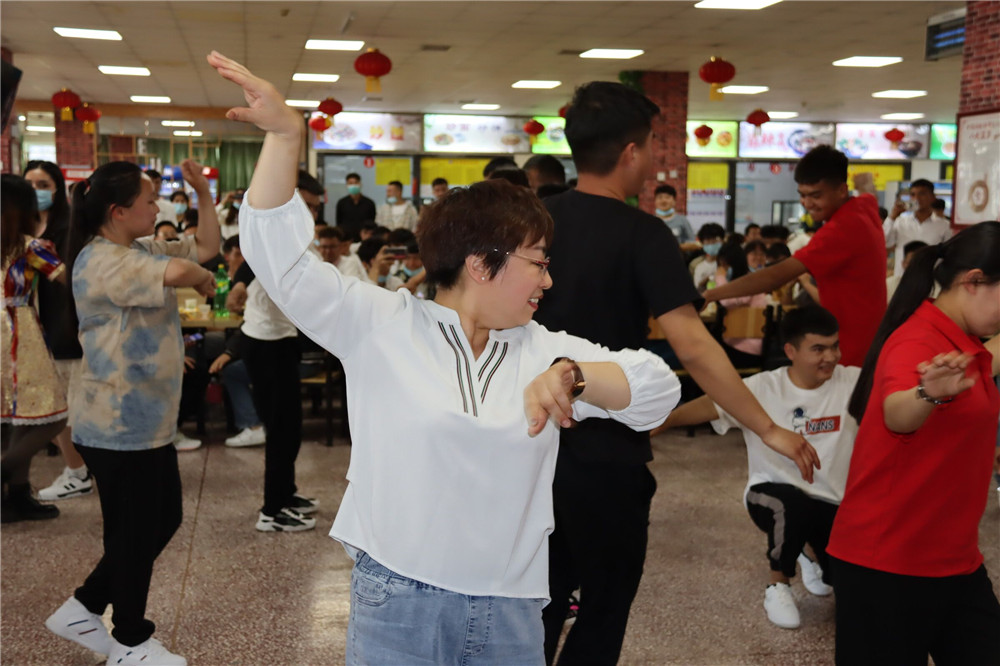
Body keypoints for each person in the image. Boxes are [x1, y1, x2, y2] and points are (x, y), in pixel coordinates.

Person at [209, 50, 682, 665]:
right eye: (538, 261)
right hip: (397, 595)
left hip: (511, 608)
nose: (548, 279)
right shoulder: (383, 325)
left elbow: (656, 387)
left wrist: (576, 377)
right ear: (483, 263)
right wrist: (283, 137)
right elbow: (283, 263)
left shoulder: (544, 347)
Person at [531, 80, 817, 665]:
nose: (655, 159)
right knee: (604, 608)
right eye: (654, 146)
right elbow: (694, 346)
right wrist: (766, 428)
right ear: (632, 152)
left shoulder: (536, 221)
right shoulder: (643, 233)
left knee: (533, 606)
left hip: (530, 444)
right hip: (609, 455)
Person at [44, 159, 219, 666]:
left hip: (145, 422)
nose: (156, 208)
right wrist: (204, 279)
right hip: (116, 423)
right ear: (119, 211)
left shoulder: (135, 248)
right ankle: (130, 641)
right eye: (147, 201)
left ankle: (84, 606)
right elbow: (189, 270)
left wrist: (204, 195)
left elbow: (202, 248)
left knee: (159, 520)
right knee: (137, 529)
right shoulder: (102, 260)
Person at [827, 222, 1000, 666]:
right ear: (974, 281)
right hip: (887, 563)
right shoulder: (919, 340)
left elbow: (985, 367)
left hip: (952, 557)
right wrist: (929, 394)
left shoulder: (962, 339)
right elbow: (897, 413)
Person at [660, 306, 860, 629]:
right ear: (791, 351)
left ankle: (806, 553)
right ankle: (778, 585)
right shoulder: (762, 388)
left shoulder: (853, 382)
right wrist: (660, 423)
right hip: (769, 494)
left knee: (847, 585)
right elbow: (707, 406)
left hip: (831, 501)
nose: (831, 356)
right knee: (793, 507)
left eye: (835, 346)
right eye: (818, 349)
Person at [704, 147, 886, 367]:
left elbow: (775, 276)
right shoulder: (864, 207)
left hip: (851, 349)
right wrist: (865, 182)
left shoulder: (841, 229)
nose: (808, 204)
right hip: (870, 340)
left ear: (841, 190)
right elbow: (869, 192)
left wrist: (710, 295)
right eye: (803, 195)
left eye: (816, 195)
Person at [23, 161, 93, 502]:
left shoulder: (66, 230)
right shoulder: (17, 230)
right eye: (30, 183)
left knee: (68, 407)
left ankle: (78, 472)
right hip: (27, 331)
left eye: (43, 184)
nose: (37, 191)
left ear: (57, 187)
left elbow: (75, 281)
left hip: (65, 327)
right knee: (50, 407)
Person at [1, 174, 68, 522]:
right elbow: (67, 278)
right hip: (17, 332)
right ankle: (6, 470)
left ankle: (16, 493)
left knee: (18, 418)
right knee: (52, 414)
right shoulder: (31, 247)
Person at [884, 179, 952, 276]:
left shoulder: (944, 225)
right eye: (913, 195)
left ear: (933, 197)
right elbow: (884, 241)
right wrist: (892, 217)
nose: (917, 198)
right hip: (902, 279)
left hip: (931, 279)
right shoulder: (900, 222)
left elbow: (948, 256)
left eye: (922, 194)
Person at [653, 183, 697, 248]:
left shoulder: (682, 220)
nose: (663, 201)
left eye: (667, 197)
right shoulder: (650, 221)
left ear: (674, 201)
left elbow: (692, 241)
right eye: (660, 197)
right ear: (655, 201)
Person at [334, 172, 375, 240]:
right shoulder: (342, 203)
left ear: (360, 184)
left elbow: (372, 223)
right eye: (350, 183)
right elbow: (339, 223)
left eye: (356, 183)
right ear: (347, 185)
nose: (353, 185)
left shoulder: (369, 203)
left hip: (364, 239)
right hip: (346, 239)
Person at [692, 222, 725, 291]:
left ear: (722, 240)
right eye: (708, 240)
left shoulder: (728, 261)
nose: (712, 243)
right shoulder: (695, 265)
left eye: (715, 240)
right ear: (702, 243)